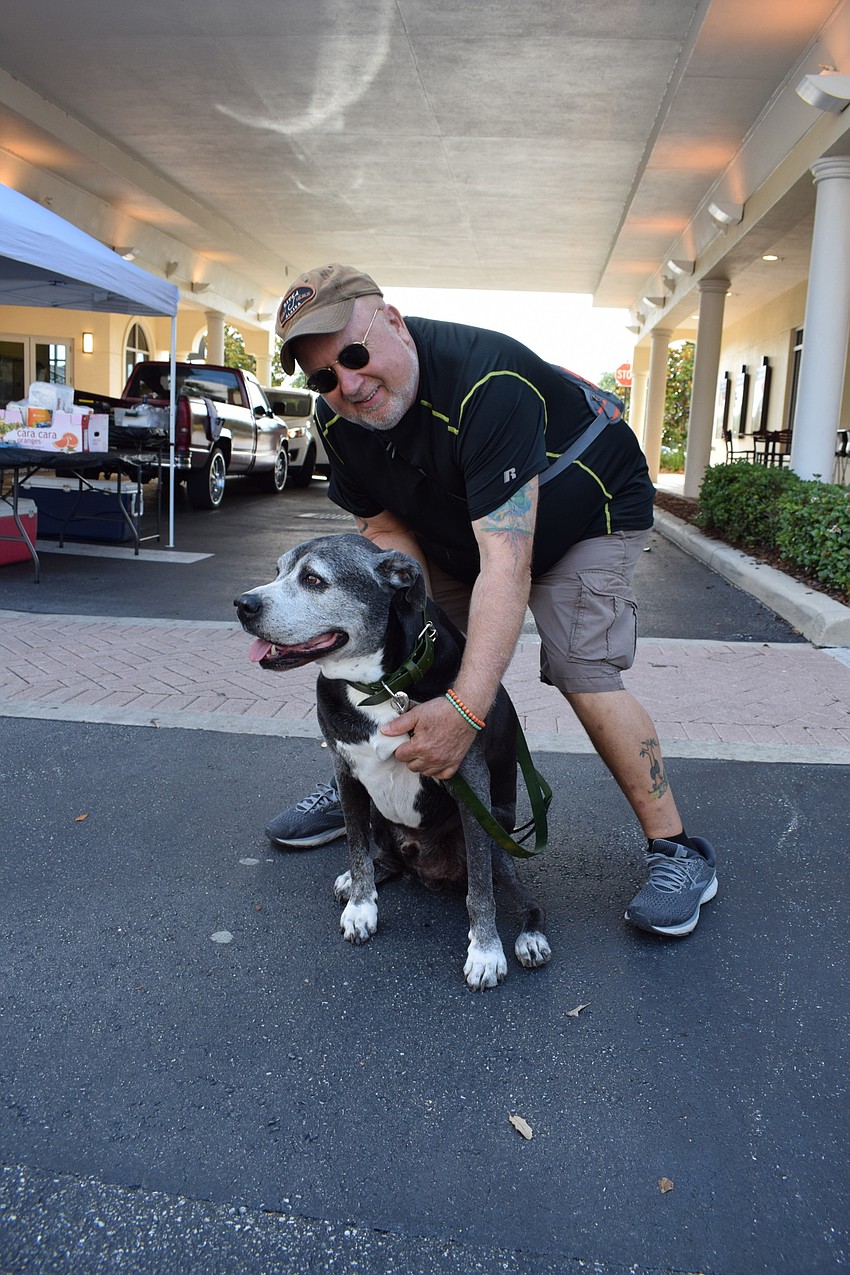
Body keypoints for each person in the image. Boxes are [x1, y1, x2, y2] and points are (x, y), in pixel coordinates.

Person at [264, 263, 717, 938]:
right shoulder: (341, 422)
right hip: (466, 519)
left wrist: (466, 708)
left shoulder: (487, 382)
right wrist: (414, 633)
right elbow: (386, 532)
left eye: (354, 356)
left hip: (585, 510)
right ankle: (374, 777)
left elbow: (508, 562)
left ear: (392, 320)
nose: (348, 385)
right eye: (325, 377)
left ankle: (678, 851)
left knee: (579, 668)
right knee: (417, 651)